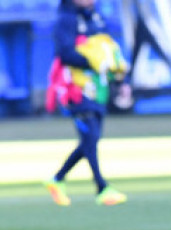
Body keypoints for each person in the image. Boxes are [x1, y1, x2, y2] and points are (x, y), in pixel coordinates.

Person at [44, 0, 128, 207]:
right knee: (90, 135)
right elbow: (64, 53)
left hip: (98, 87)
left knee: (91, 138)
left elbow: (109, 51)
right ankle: (101, 187)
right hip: (76, 87)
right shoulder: (67, 19)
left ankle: (57, 179)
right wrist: (91, 60)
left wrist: (118, 77)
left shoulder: (97, 18)